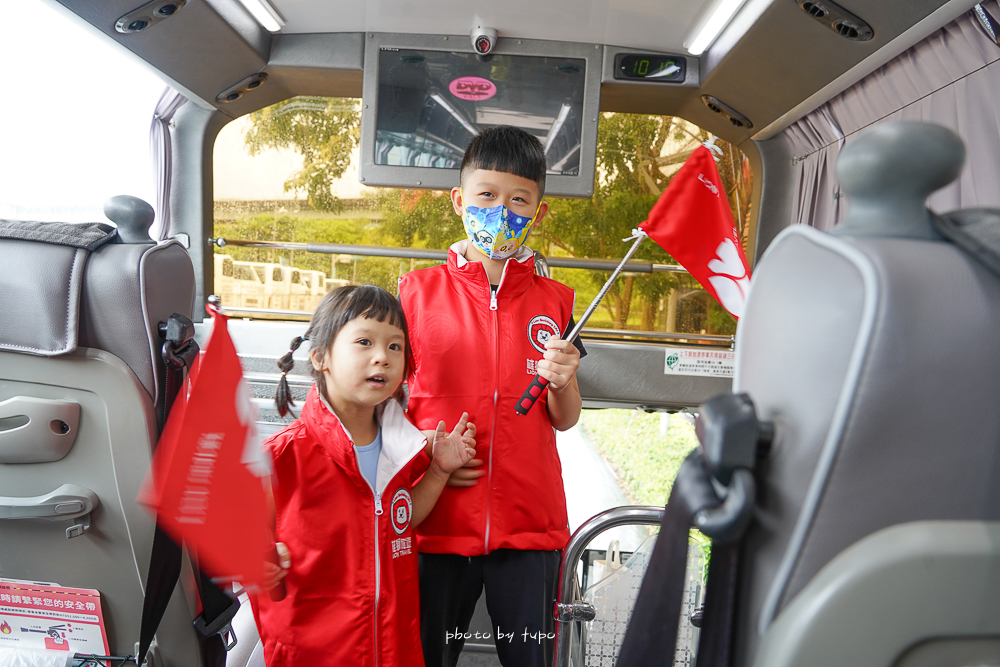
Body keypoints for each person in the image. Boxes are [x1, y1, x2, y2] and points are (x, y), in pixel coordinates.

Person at [398, 125, 586, 667]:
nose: (501, 210)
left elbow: (566, 418)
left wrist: (564, 376)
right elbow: (384, 406)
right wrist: (427, 460)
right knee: (426, 657)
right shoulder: (413, 294)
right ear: (460, 201)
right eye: (487, 195)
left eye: (519, 199)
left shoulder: (556, 302)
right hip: (434, 521)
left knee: (530, 660)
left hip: (531, 525)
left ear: (539, 212)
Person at [252, 284, 477, 667]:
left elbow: (397, 523)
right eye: (364, 342)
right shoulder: (281, 457)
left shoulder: (401, 448)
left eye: (395, 346)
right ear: (321, 357)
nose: (383, 358)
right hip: (313, 653)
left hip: (394, 647)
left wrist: (438, 470)